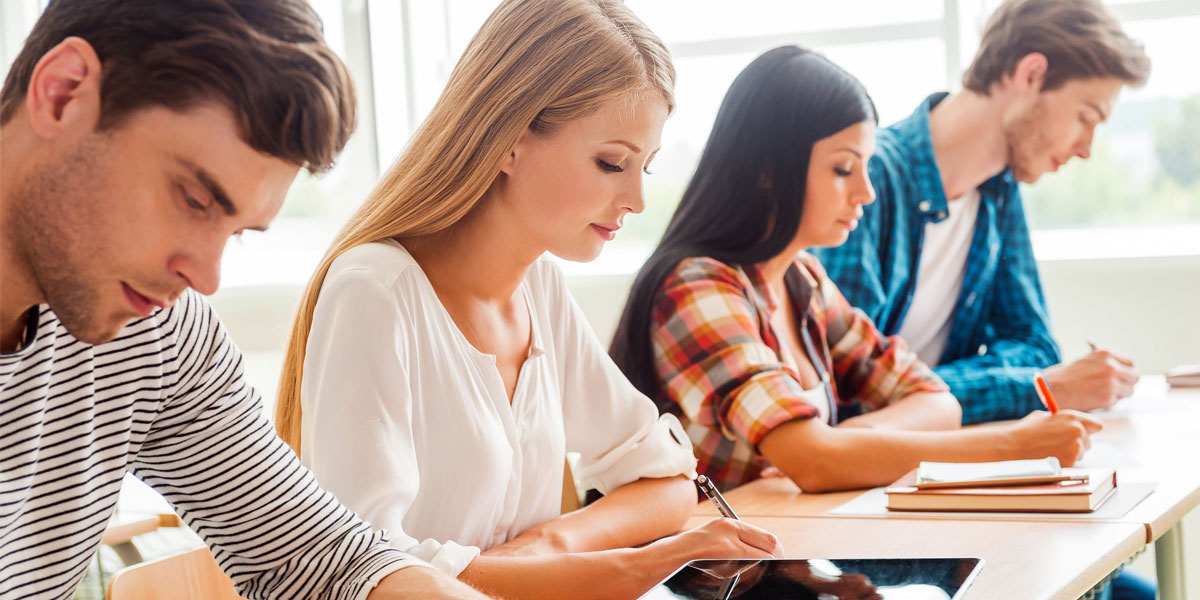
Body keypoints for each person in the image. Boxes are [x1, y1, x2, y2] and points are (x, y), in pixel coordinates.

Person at [272, 1, 782, 599]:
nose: (637, 200)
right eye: (612, 163)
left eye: (644, 167)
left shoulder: (539, 287)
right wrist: (628, 566)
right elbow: (365, 571)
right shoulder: (374, 293)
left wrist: (550, 545)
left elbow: (667, 480)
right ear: (508, 141)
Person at [0, 1, 489, 598]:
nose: (206, 278)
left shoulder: (158, 331)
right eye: (194, 200)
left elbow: (324, 560)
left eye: (235, 233)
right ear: (63, 94)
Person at [608, 46, 1102, 495]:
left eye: (866, 167)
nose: (866, 192)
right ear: (767, 171)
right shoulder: (696, 288)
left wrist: (845, 441)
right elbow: (815, 463)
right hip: (705, 562)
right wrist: (1010, 446)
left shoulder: (803, 280)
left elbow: (937, 400)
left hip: (795, 542)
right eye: (844, 169)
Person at [811, 0, 1151, 425]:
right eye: (1086, 117)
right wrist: (1036, 389)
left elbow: (1036, 347)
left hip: (942, 450)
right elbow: (848, 390)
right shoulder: (867, 181)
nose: (1086, 149)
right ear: (1031, 74)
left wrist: (930, 394)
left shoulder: (999, 192)